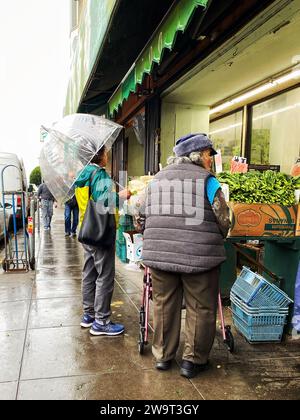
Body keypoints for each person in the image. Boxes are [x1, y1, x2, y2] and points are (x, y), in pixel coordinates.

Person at [142, 133, 230, 379]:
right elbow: (223, 218)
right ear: (199, 156)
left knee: (162, 304)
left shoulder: (156, 180)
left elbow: (141, 214)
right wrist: (222, 232)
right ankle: (192, 361)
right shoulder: (208, 181)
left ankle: (162, 357)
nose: (211, 160)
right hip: (199, 255)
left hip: (160, 255)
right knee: (200, 307)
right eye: (209, 155)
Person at [75, 146, 130, 337]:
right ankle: (102, 321)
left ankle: (88, 315)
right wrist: (121, 196)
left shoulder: (82, 174)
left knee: (89, 273)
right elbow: (104, 201)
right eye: (105, 152)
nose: (107, 156)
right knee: (105, 275)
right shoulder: (99, 174)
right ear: (98, 155)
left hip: (86, 229)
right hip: (100, 231)